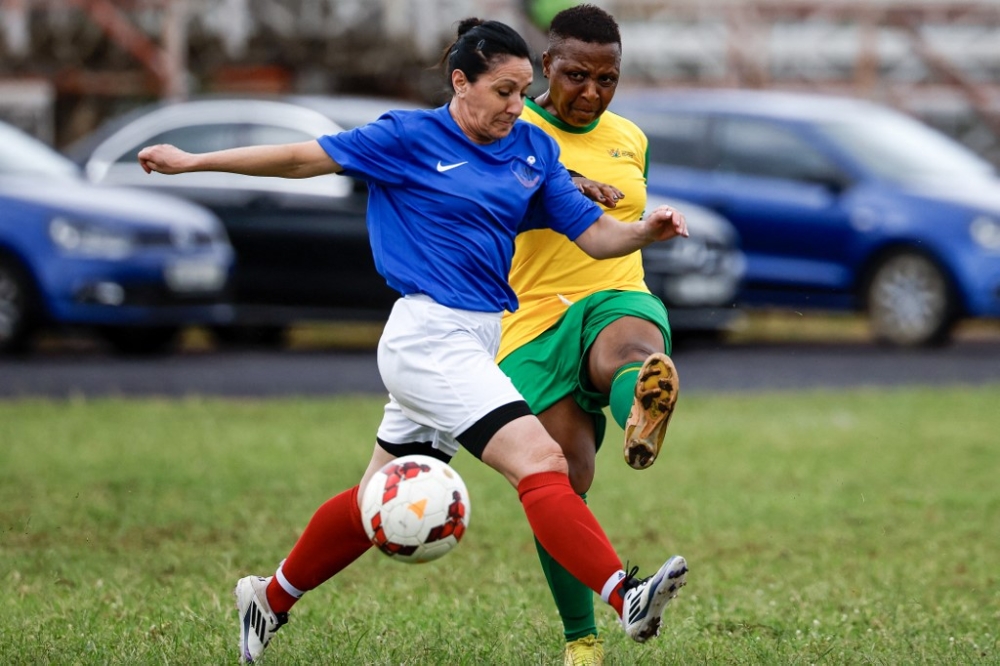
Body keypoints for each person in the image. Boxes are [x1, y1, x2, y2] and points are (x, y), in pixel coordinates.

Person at [138, 18, 689, 664]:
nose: (518, 107)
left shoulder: (530, 153)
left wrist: (645, 231)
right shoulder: (408, 137)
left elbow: (594, 234)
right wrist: (192, 161)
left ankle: (270, 597)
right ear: (461, 82)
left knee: (374, 501)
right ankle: (624, 595)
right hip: (427, 339)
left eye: (522, 91)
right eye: (504, 92)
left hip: (477, 340)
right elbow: (300, 157)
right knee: (542, 463)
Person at [497, 6, 682, 665]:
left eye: (608, 79)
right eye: (577, 75)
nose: (592, 93)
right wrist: (568, 184)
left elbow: (626, 215)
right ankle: (582, 641)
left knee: (633, 350)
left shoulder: (630, 138)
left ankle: (642, 404)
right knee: (562, 481)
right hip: (532, 317)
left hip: (615, 290)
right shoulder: (507, 123)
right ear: (546, 67)